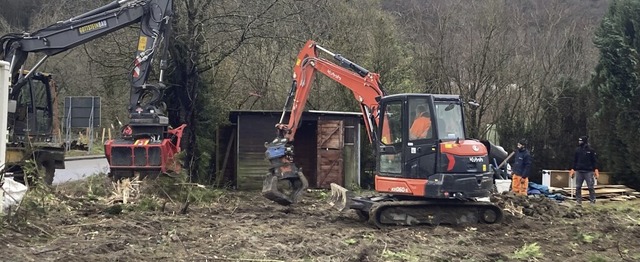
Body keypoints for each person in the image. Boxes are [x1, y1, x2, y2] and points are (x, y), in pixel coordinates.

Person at [570, 136, 599, 204]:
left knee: (590, 187)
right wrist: (573, 169)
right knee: (578, 187)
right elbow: (575, 160)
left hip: (588, 171)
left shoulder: (591, 150)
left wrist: (596, 170)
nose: (579, 142)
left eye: (581, 141)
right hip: (579, 171)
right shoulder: (577, 150)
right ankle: (578, 201)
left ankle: (592, 200)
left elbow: (594, 161)